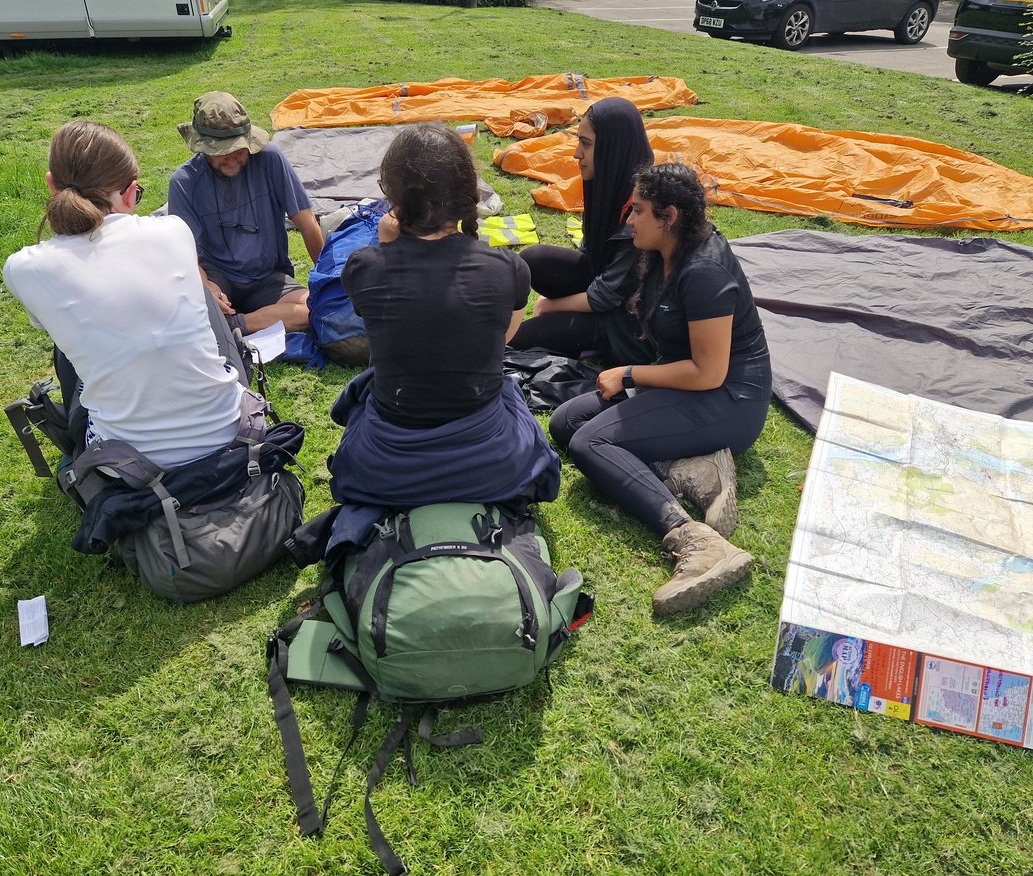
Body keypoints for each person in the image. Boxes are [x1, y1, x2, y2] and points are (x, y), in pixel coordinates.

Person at [549, 163, 772, 616]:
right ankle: (694, 467)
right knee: (566, 421)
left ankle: (697, 542)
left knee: (593, 441)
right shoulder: (661, 252)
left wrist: (630, 374)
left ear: (669, 216)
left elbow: (709, 373)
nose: (629, 220)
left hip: (730, 399)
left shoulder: (704, 270)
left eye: (639, 211)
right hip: (689, 385)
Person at [328, 122, 559, 509]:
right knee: (507, 390)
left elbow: (393, 329)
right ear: (467, 193)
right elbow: (498, 340)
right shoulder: (508, 269)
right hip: (491, 461)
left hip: (389, 467)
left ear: (394, 198)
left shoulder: (364, 268)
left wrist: (387, 248)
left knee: (362, 395)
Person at [3, 120, 245, 470]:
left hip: (131, 465)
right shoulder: (174, 232)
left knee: (69, 331)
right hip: (230, 432)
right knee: (198, 290)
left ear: (51, 185)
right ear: (131, 192)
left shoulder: (23, 268)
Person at [508, 96, 655, 364]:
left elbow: (606, 296)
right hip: (607, 289)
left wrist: (550, 306)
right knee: (532, 260)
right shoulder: (609, 180)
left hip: (626, 322)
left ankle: (593, 341)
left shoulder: (644, 210)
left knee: (515, 342)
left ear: (613, 148)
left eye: (586, 144)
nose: (577, 153)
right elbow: (592, 257)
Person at [168, 91, 324, 334]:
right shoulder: (183, 182)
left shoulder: (270, 159)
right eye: (221, 153)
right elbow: (186, 255)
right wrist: (206, 286)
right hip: (218, 277)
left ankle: (237, 325)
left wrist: (327, 281)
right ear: (203, 148)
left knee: (315, 309)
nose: (231, 159)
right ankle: (243, 320)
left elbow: (307, 224)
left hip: (267, 277)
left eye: (238, 151)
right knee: (193, 314)